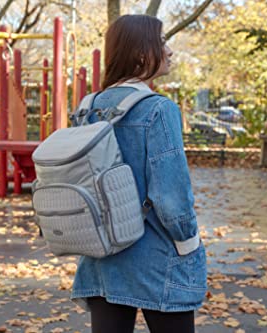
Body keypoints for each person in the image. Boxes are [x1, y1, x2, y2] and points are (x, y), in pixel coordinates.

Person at [70, 15, 207, 333]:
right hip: (155, 256)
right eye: (162, 42)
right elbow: (171, 197)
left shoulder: (87, 107)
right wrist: (189, 244)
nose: (169, 51)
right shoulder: (159, 109)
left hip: (101, 253)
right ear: (142, 53)